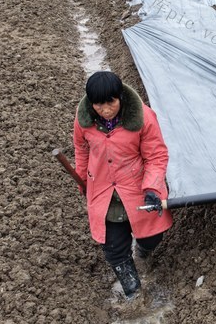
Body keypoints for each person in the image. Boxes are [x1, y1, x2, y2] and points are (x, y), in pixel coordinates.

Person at [73, 71, 172, 299]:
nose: (106, 109)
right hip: (103, 189)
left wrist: (152, 188)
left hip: (137, 187)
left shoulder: (143, 117)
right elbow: (81, 149)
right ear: (91, 103)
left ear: (120, 97)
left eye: (111, 102)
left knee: (152, 236)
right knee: (114, 248)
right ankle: (134, 294)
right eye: (99, 104)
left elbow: (156, 156)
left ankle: (143, 252)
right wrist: (83, 179)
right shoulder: (83, 120)